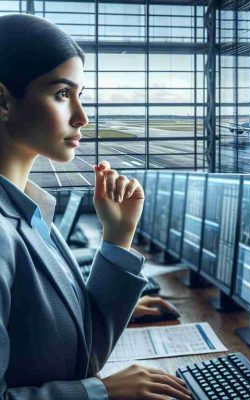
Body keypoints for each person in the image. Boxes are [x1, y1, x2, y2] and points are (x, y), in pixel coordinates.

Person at [0, 13, 191, 400]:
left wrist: (118, 238)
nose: (82, 117)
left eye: (80, 95)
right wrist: (99, 394)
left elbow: (85, 354)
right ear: (3, 101)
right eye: (61, 94)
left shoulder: (30, 211)